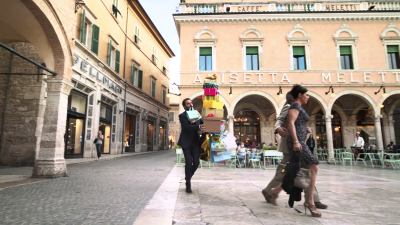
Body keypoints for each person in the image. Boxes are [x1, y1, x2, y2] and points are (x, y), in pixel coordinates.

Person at [284, 84, 321, 217]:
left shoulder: (298, 107)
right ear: (299, 95)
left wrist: (306, 129)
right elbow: (291, 123)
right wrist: (295, 141)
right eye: (306, 94)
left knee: (309, 168)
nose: (308, 97)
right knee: (313, 167)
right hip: (297, 141)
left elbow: (298, 123)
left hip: (300, 140)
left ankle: (307, 197)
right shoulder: (295, 106)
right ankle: (309, 202)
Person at [178, 98, 204, 193]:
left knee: (196, 163)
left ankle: (187, 176)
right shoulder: (182, 116)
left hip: (196, 142)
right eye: (188, 104)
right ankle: (188, 184)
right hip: (186, 142)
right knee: (189, 163)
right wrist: (198, 127)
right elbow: (186, 128)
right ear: (184, 106)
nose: (191, 104)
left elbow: (203, 124)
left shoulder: (197, 115)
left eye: (191, 103)